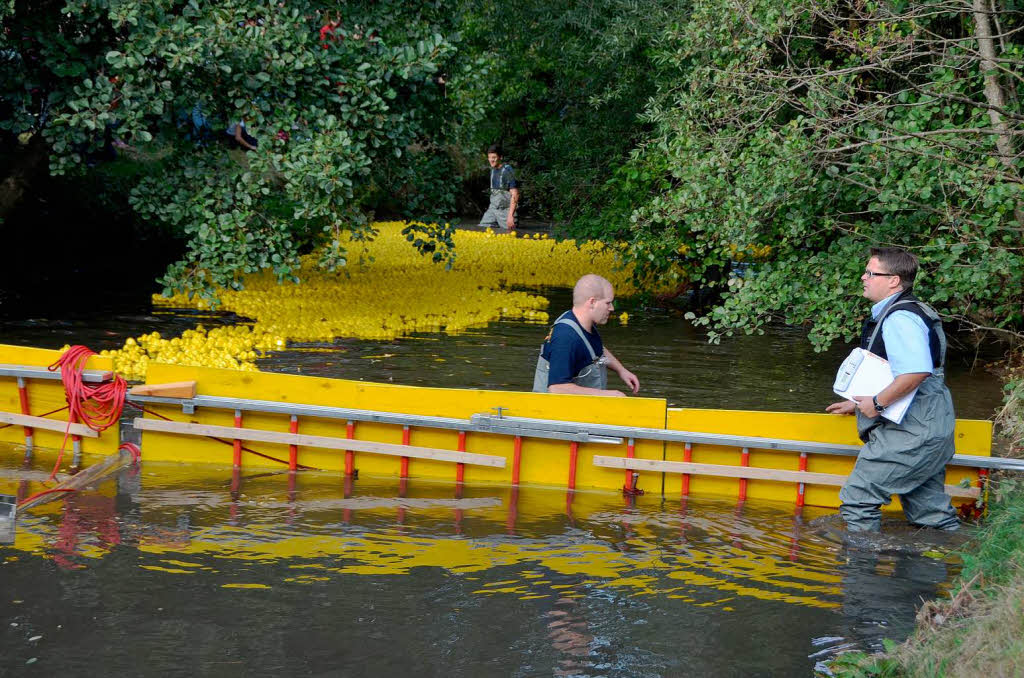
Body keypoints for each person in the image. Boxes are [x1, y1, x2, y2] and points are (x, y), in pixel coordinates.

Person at [826, 247, 959, 532]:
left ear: (894, 280)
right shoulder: (911, 311)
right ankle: (956, 565)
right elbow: (900, 371)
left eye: (871, 273)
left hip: (911, 432)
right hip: (930, 426)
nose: (864, 277)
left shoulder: (900, 318)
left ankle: (861, 571)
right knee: (930, 514)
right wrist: (856, 401)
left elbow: (915, 372)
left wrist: (876, 403)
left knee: (858, 499)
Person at [533, 274, 640, 397]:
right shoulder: (565, 338)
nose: (612, 308)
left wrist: (621, 370)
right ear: (592, 302)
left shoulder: (583, 323)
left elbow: (596, 349)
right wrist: (610, 395)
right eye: (608, 303)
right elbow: (557, 388)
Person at [479, 144, 519, 231]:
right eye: (489, 157)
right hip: (492, 209)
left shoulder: (507, 170)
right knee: (482, 229)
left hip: (505, 211)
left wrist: (510, 216)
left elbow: (515, 194)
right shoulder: (492, 171)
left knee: (511, 232)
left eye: (494, 157)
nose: (491, 160)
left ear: (500, 157)